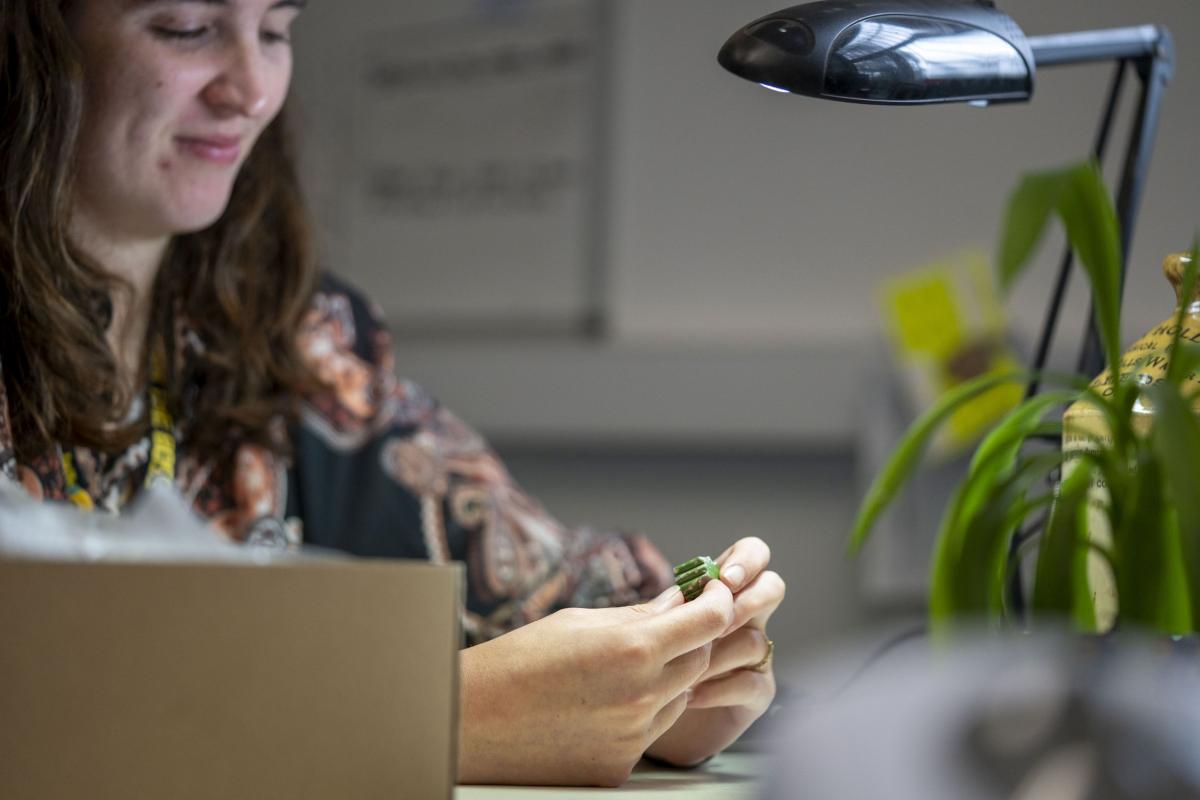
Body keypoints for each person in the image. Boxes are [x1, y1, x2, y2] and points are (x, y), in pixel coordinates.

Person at [0, 0, 786, 787]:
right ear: (35, 42)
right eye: (187, 27)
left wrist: (678, 658)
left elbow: (548, 583)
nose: (250, 91)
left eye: (275, 32)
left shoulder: (303, 337)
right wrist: (442, 720)